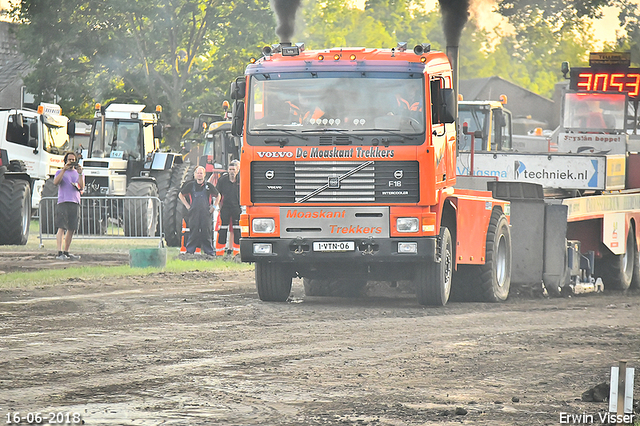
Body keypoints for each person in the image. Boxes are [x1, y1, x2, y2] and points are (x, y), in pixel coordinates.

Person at [179, 166, 219, 256]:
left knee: (206, 232)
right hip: (194, 213)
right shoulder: (190, 186)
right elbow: (180, 195)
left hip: (206, 213)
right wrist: (187, 206)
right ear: (195, 174)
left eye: (201, 173)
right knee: (193, 232)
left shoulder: (208, 186)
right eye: (198, 173)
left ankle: (209, 253)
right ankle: (189, 252)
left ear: (204, 175)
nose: (199, 175)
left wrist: (214, 206)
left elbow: (218, 195)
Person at [54, 152, 84, 260]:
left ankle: (66, 251)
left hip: (75, 202)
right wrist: (64, 170)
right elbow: (56, 182)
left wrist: (80, 173)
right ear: (65, 160)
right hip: (63, 201)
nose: (71, 162)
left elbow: (81, 186)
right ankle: (59, 252)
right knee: (61, 227)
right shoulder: (59, 172)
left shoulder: (77, 173)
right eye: (69, 160)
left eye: (73, 160)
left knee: (72, 228)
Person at [214, 159, 241, 259]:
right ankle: (219, 253)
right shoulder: (223, 180)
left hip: (237, 208)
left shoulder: (241, 180)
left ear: (237, 170)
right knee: (223, 229)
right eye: (230, 169)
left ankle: (236, 253)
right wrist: (218, 206)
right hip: (225, 207)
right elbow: (217, 193)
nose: (232, 171)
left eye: (233, 169)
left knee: (237, 229)